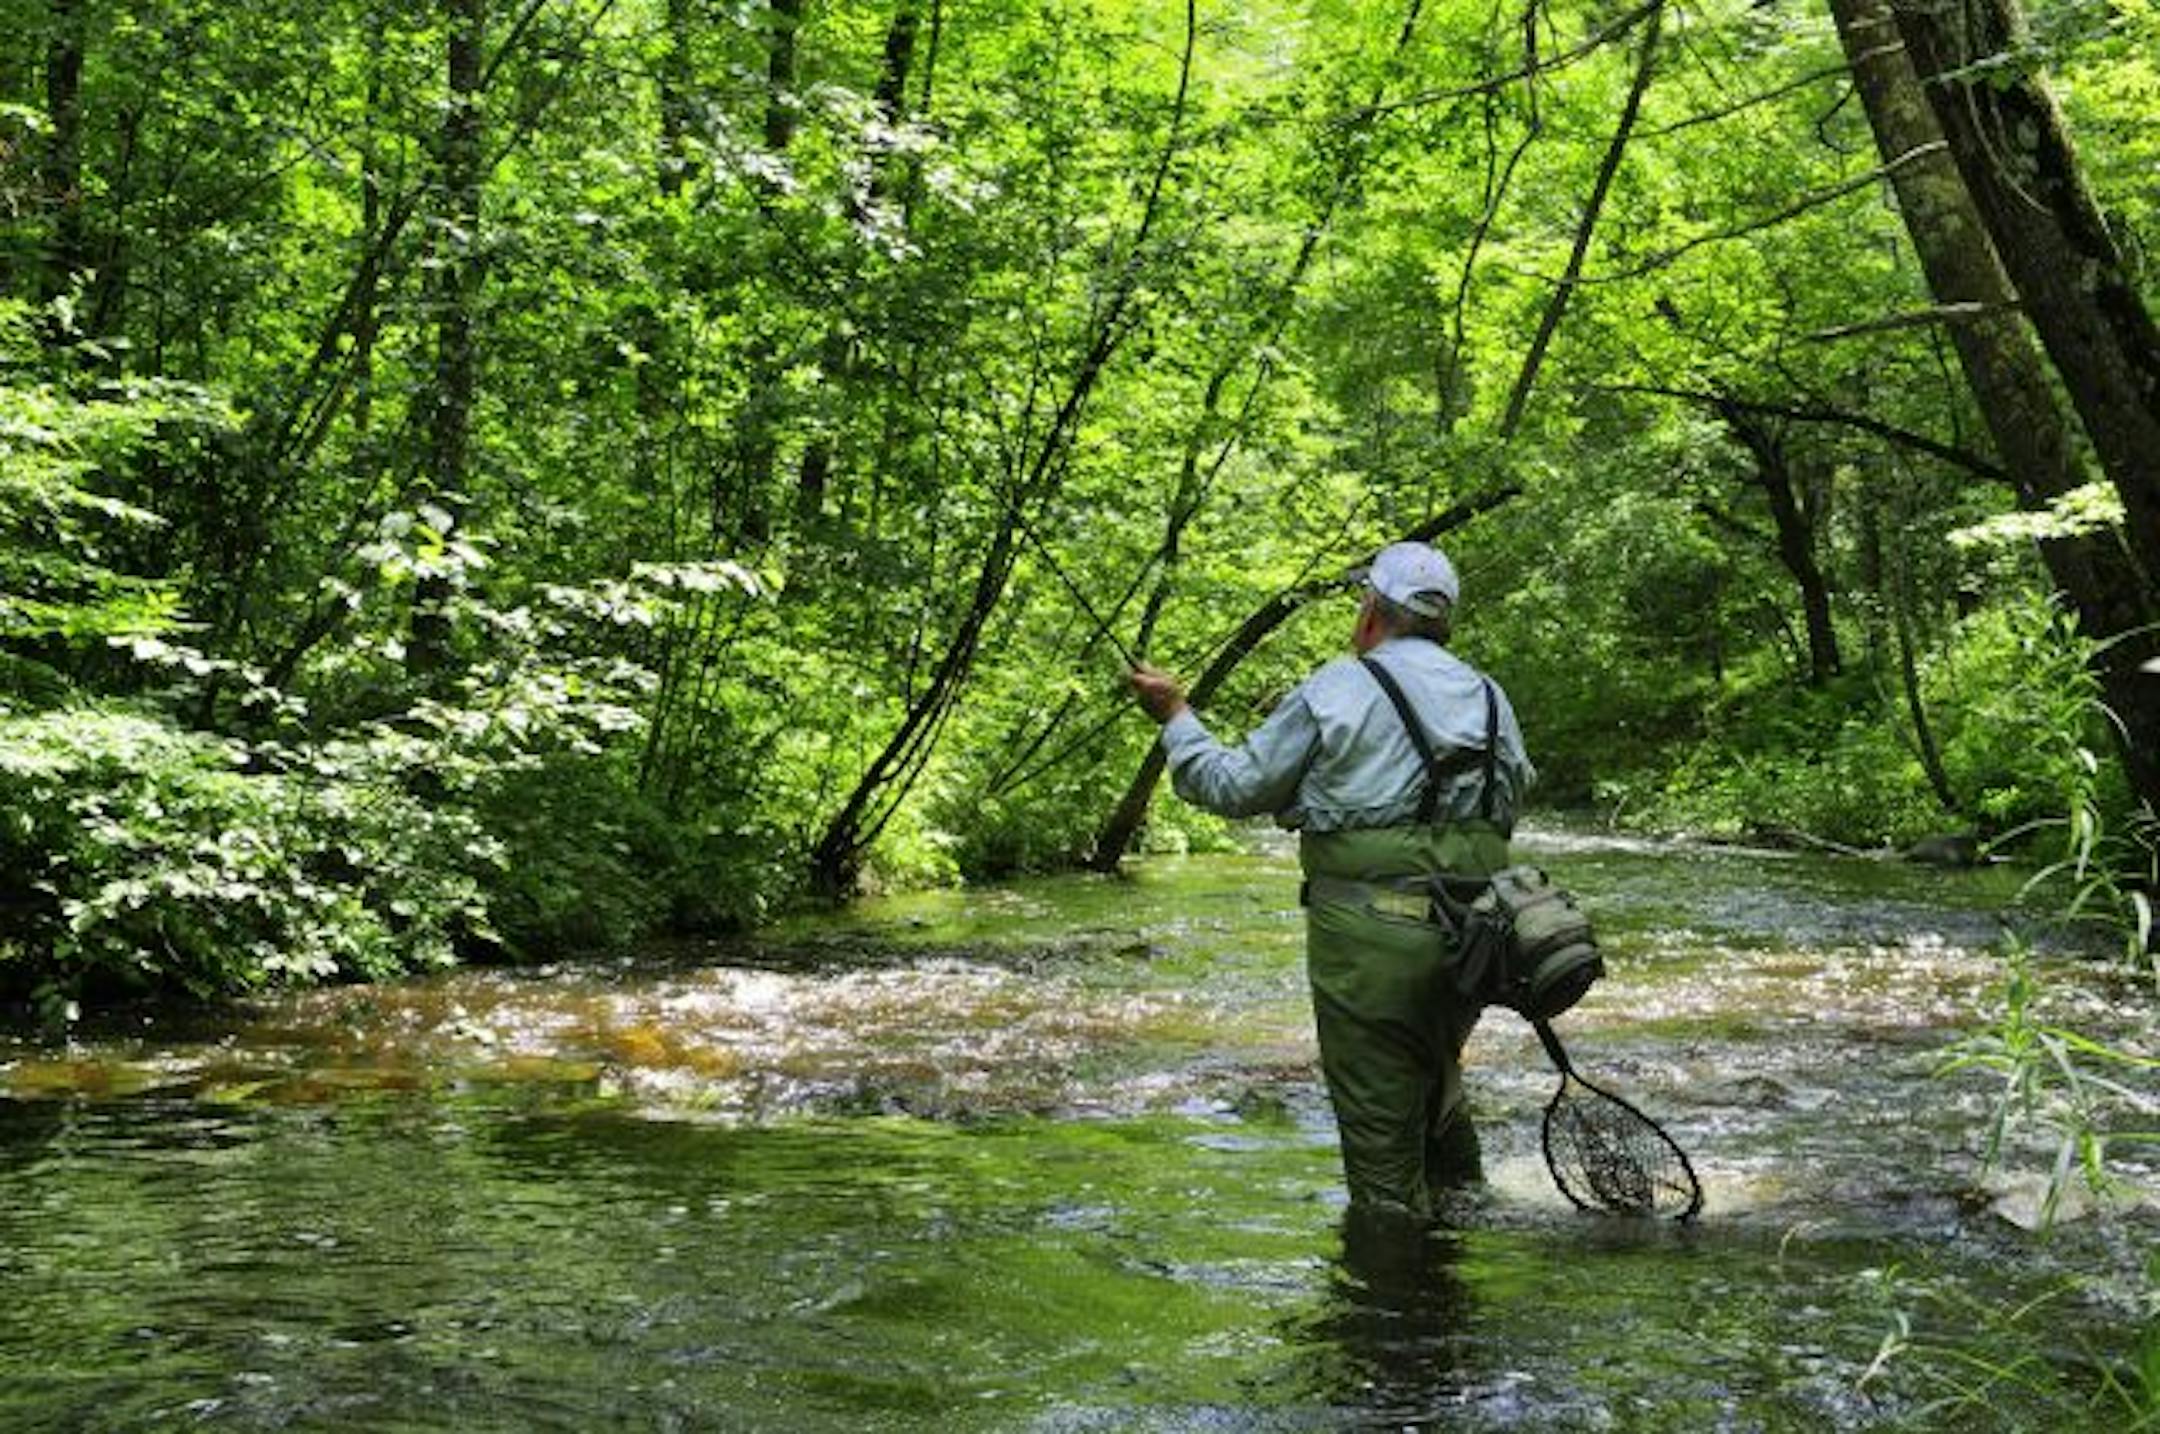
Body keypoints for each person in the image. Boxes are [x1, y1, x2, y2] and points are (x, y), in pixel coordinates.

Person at [1125, 541, 1534, 1220]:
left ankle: (1392, 1296)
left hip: (1371, 943)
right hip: (1479, 942)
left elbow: (1231, 787)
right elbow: (1508, 809)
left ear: (1373, 611)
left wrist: (1177, 718)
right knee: (1436, 1087)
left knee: (1381, 1142)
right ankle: (1462, 1246)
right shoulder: (1492, 697)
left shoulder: (1339, 687)